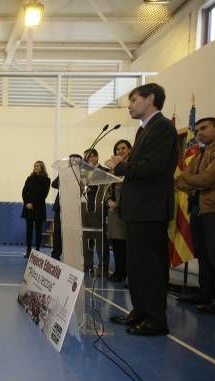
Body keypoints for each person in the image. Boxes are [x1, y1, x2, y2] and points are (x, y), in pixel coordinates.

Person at [106, 83, 177, 336]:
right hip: (137, 209)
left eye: (134, 100)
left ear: (151, 99)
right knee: (137, 265)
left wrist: (121, 166)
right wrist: (122, 163)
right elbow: (138, 164)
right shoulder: (143, 131)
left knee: (151, 266)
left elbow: (151, 167)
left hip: (151, 207)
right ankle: (140, 311)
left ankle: (156, 319)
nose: (130, 105)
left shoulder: (163, 127)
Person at [176, 117, 215, 314]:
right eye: (198, 129)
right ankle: (205, 294)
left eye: (204, 128)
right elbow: (180, 180)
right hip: (197, 209)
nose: (200, 133)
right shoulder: (201, 154)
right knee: (202, 255)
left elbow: (208, 178)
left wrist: (196, 182)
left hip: (214, 210)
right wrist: (198, 183)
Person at [107, 140, 132, 282]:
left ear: (129, 150)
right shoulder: (112, 168)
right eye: (117, 149)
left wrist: (119, 203)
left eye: (123, 148)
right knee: (116, 243)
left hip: (128, 209)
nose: (120, 151)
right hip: (113, 211)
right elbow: (107, 186)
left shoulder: (131, 166)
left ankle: (128, 273)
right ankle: (118, 271)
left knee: (127, 245)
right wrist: (109, 200)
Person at [82, 149, 110, 275]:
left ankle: (102, 267)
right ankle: (88, 265)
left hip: (99, 210)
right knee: (86, 239)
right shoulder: (83, 174)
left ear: (96, 157)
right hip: (85, 210)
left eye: (91, 157)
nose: (89, 160)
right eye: (86, 158)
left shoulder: (105, 172)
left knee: (100, 241)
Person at [21, 161, 51, 258]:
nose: (36, 167)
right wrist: (27, 203)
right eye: (35, 166)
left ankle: (37, 251)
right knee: (28, 230)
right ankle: (28, 250)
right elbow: (24, 192)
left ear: (42, 167)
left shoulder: (46, 180)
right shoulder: (29, 178)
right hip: (28, 207)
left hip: (39, 208)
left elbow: (43, 195)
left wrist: (32, 203)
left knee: (38, 230)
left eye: (38, 166)